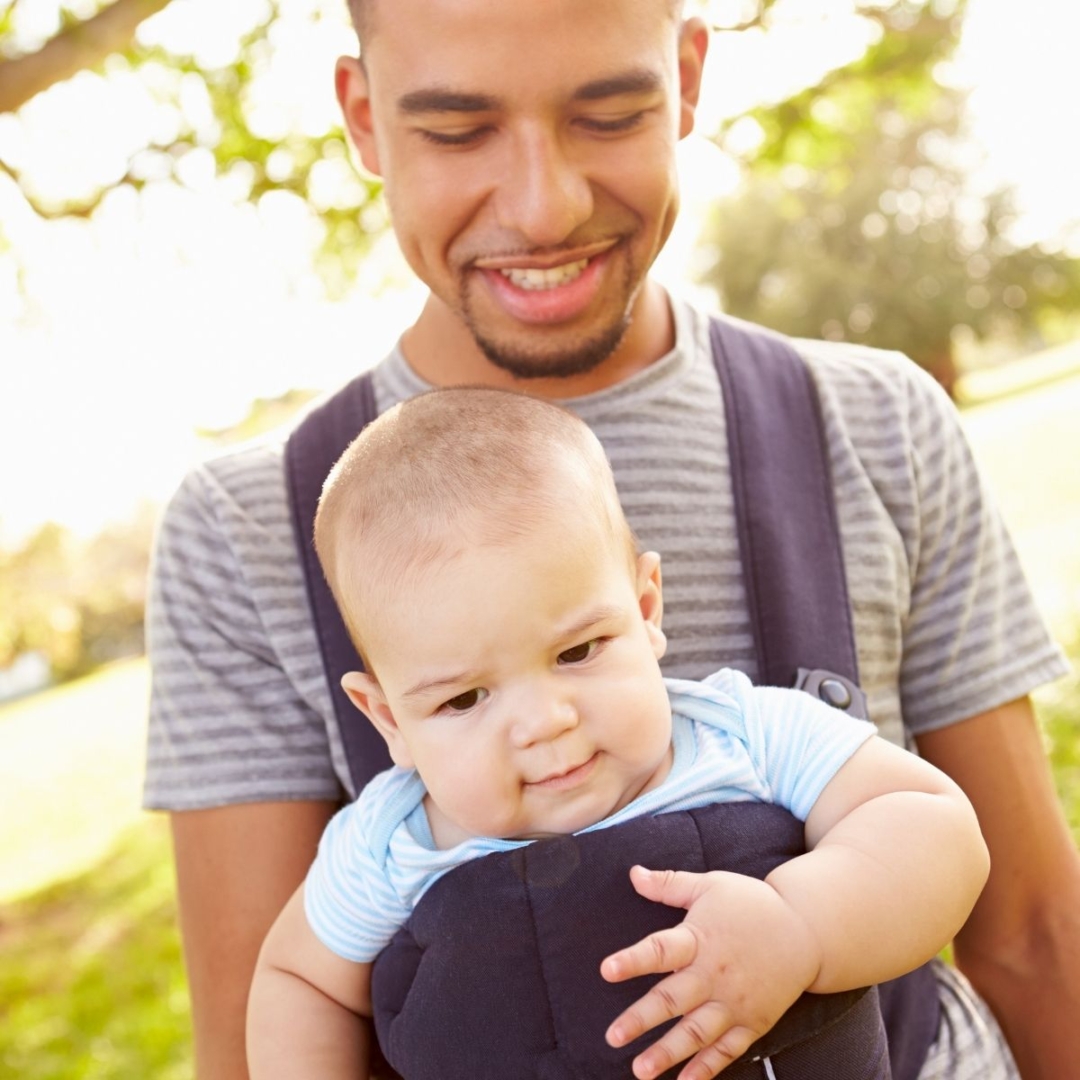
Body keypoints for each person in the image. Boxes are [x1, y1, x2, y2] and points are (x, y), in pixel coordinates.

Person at [144, 1, 1079, 1078]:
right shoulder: (241, 530)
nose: (545, 206)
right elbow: (267, 1016)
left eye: (610, 113)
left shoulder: (873, 428)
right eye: (458, 130)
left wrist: (804, 927)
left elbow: (1031, 929)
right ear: (362, 115)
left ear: (686, 79)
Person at [245, 386, 990, 1080]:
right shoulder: (389, 844)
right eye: (466, 698)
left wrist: (804, 924)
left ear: (644, 608)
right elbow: (298, 980)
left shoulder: (744, 737)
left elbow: (935, 826)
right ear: (389, 720)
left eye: (576, 652)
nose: (545, 723)